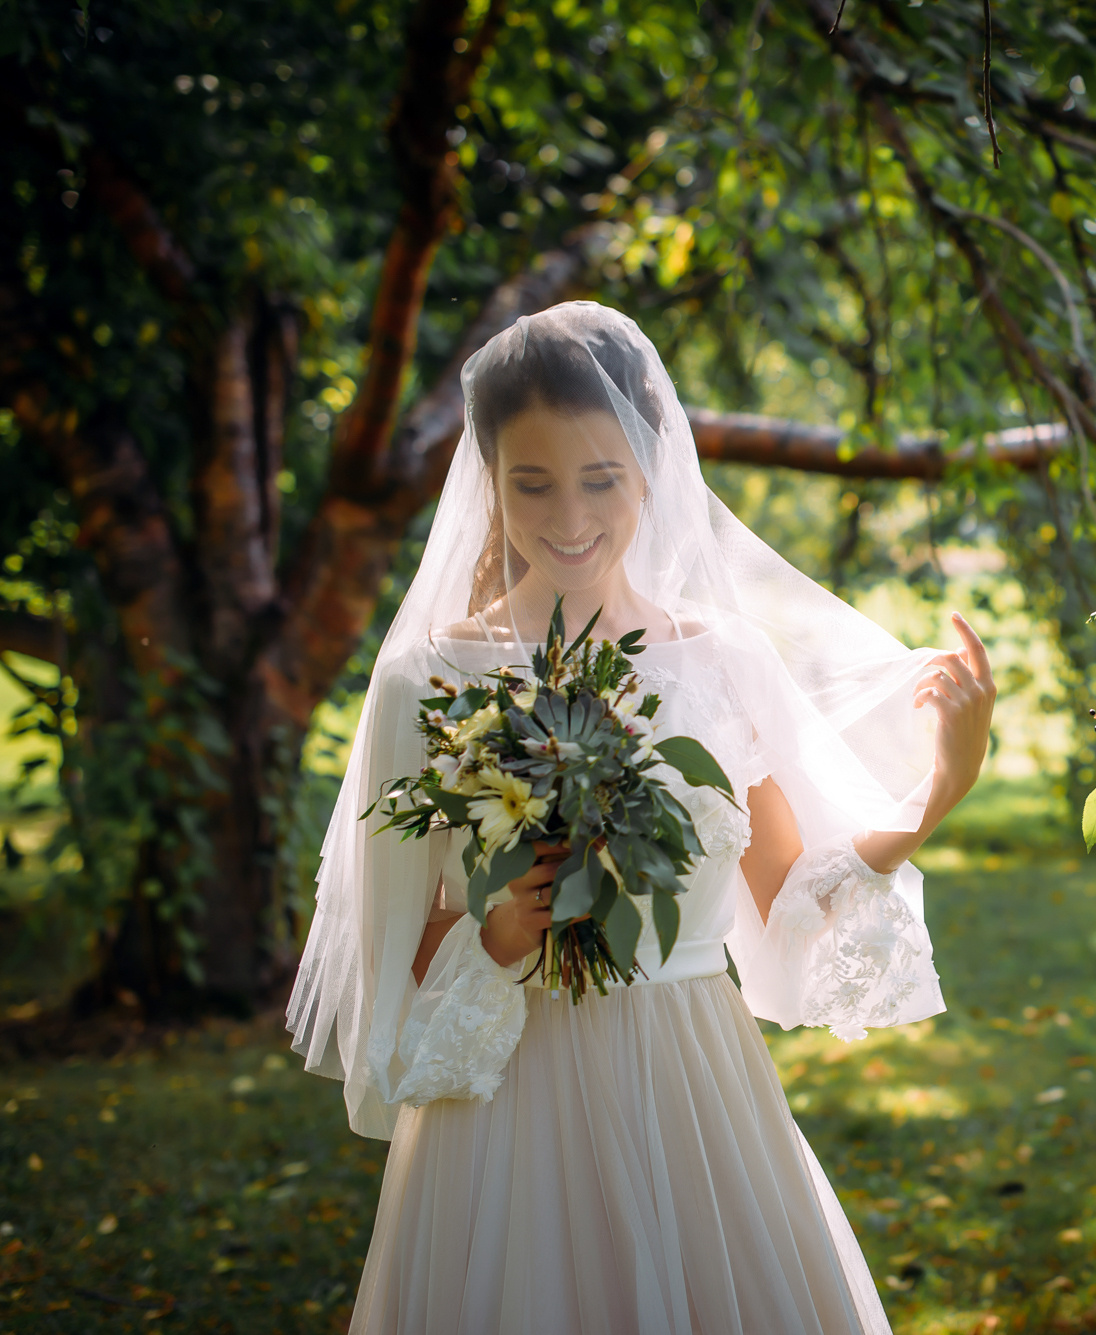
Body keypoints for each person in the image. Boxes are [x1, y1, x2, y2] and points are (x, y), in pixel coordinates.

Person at [285, 302, 995, 1334]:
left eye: (599, 479)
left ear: (652, 470)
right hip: (504, 1107)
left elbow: (790, 896)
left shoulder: (719, 661)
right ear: (489, 482)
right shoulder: (427, 680)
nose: (568, 514)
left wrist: (940, 790)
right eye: (531, 483)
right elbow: (386, 944)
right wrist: (498, 932)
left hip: (690, 1083)